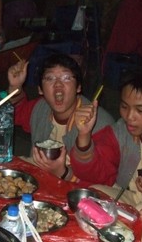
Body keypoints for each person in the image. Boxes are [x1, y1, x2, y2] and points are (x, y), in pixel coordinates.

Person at [69, 68, 142, 233]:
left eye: (140, 110)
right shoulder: (120, 131)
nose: (130, 116)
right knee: (91, 196)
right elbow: (93, 174)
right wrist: (84, 134)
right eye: (124, 106)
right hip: (130, 198)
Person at [7, 53, 115, 182]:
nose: (58, 84)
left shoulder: (100, 123)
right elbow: (14, 114)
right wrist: (15, 86)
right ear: (40, 90)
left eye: (66, 78)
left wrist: (63, 173)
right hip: (38, 181)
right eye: (50, 78)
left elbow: (104, 181)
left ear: (78, 87)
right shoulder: (40, 108)